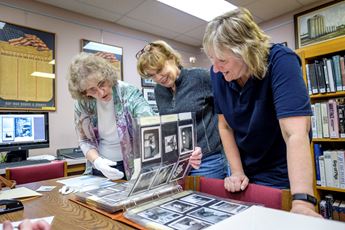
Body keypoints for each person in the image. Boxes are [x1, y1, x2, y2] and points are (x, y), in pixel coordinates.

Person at [202, 7, 321, 217]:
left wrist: (302, 201)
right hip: (246, 170)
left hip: (282, 172)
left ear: (245, 50)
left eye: (222, 60)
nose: (216, 68)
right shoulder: (218, 73)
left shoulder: (281, 61)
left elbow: (295, 132)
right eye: (212, 59)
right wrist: (237, 171)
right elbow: (225, 125)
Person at [67, 53, 202, 180]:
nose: (101, 92)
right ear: (84, 92)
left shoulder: (128, 93)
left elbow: (151, 123)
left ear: (108, 76)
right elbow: (84, 140)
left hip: (129, 166)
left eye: (102, 84)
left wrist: (185, 147)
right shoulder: (83, 103)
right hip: (100, 165)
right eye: (92, 90)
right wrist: (97, 161)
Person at [136, 40, 227, 179]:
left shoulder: (200, 77)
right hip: (179, 163)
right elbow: (167, 126)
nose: (158, 78)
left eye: (160, 70)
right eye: (152, 75)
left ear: (171, 58)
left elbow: (226, 114)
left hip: (208, 161)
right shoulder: (158, 91)